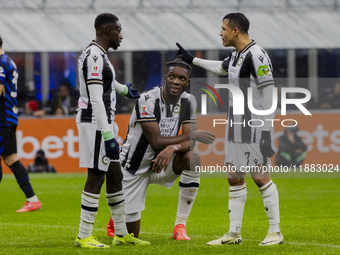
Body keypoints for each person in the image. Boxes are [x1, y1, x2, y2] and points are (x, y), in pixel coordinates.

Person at [176, 12, 284, 246]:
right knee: (234, 177)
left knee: (260, 177)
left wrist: (266, 132)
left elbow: (269, 94)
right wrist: (191, 60)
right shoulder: (236, 54)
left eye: (223, 28)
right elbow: (222, 68)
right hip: (235, 124)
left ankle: (275, 232)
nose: (220, 33)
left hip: (254, 125)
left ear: (235, 31)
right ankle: (234, 234)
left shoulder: (257, 55)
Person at [106, 58, 215, 240]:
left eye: (181, 78)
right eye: (172, 76)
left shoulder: (189, 101)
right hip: (133, 169)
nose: (176, 81)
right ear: (165, 78)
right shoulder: (147, 100)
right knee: (131, 236)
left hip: (161, 164)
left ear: (187, 82)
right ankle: (118, 214)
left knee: (192, 159)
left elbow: (190, 143)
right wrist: (190, 137)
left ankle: (180, 226)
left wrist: (173, 147)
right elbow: (156, 142)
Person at [74, 13, 150, 248]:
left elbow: (105, 84)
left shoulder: (98, 55)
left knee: (115, 176)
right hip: (96, 124)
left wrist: (123, 90)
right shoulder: (95, 56)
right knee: (96, 176)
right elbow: (96, 98)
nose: (121, 35)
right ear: (108, 31)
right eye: (119, 30)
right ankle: (84, 235)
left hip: (103, 123)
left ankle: (120, 234)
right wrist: (107, 135)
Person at [0, 35, 42, 212]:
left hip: (3, 119)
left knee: (11, 158)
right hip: (7, 117)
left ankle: (32, 199)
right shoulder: (8, 61)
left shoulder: (1, 63)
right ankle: (32, 199)